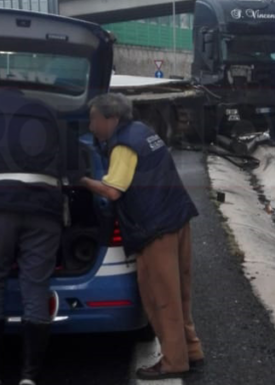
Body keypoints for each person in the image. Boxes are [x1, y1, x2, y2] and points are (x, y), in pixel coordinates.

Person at [0, 87, 75, 385]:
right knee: (35, 287)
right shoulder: (50, 110)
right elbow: (72, 164)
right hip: (44, 207)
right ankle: (29, 377)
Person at [80, 93, 203, 381]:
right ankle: (191, 350)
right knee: (181, 293)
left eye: (94, 119)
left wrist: (82, 181)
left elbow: (113, 191)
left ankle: (173, 362)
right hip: (178, 217)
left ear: (111, 119)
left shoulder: (123, 145)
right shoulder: (144, 132)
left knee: (161, 297)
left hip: (154, 228)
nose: (90, 126)